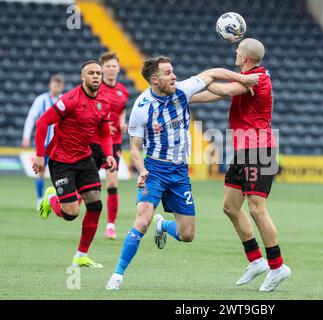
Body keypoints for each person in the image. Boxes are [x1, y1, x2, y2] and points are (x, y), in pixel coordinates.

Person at [105, 56, 261, 290]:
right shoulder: (141, 108)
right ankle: (117, 275)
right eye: (168, 73)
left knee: (187, 235)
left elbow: (211, 72)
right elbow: (135, 149)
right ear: (155, 80)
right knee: (142, 220)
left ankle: (163, 226)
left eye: (173, 71)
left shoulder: (182, 90)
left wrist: (242, 79)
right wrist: (142, 170)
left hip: (179, 172)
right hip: (155, 170)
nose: (174, 76)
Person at [190, 38, 291, 292]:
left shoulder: (257, 79)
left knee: (257, 209)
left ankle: (278, 267)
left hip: (260, 148)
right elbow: (216, 95)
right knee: (230, 206)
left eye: (238, 50)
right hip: (244, 148)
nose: (235, 51)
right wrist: (185, 95)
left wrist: (203, 77)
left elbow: (223, 91)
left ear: (245, 57)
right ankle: (256, 261)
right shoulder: (246, 80)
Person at [33, 61, 117, 268]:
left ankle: (81, 255)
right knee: (70, 214)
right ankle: (52, 197)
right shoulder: (69, 99)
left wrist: (108, 154)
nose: (96, 76)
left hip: (84, 158)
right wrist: (39, 155)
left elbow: (105, 133)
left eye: (98, 73)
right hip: (61, 160)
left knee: (96, 204)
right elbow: (43, 122)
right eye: (91, 73)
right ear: (83, 77)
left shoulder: (104, 103)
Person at [90, 52, 129, 240]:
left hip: (115, 143)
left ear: (118, 68)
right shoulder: (96, 89)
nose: (111, 69)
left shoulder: (123, 91)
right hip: (95, 141)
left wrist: (122, 122)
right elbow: (89, 111)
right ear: (102, 68)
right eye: (108, 66)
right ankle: (63, 205)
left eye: (114, 66)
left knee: (112, 182)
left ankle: (110, 225)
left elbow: (121, 110)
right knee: (88, 185)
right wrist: (103, 124)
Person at [22, 74, 65, 208]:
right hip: (44, 144)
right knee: (40, 171)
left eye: (59, 84)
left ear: (62, 86)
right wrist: (26, 136)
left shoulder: (64, 100)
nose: (56, 86)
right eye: (54, 83)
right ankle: (40, 198)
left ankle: (59, 198)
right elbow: (31, 117)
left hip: (59, 144)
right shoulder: (41, 100)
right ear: (50, 85)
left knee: (61, 172)